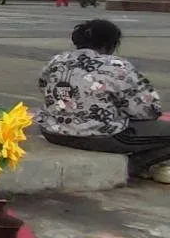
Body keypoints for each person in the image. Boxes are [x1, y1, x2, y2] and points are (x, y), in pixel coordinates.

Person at [38, 19, 170, 180]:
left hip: (52, 132)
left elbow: (44, 86)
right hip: (98, 136)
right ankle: (134, 166)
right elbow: (148, 111)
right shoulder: (117, 66)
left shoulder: (57, 60)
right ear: (111, 44)